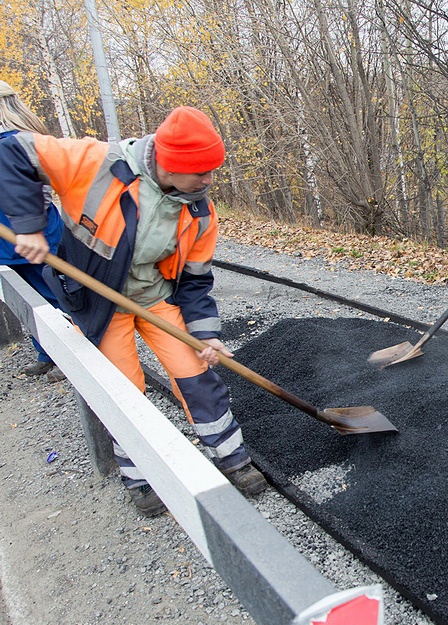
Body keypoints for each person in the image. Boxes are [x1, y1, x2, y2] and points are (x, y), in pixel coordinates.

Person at [0, 105, 267, 515]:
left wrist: (206, 333)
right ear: (169, 164)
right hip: (99, 301)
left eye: (212, 170)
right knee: (125, 391)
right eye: (201, 172)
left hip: (156, 296)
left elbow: (195, 280)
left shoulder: (199, 210)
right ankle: (140, 476)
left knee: (195, 375)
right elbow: (12, 150)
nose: (209, 181)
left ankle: (233, 458)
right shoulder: (96, 165)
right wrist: (28, 226)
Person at [0, 80, 66, 382]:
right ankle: (47, 353)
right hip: (9, 243)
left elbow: (33, 192)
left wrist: (31, 229)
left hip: (34, 236)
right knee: (29, 302)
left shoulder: (13, 142)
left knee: (54, 297)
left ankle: (75, 357)